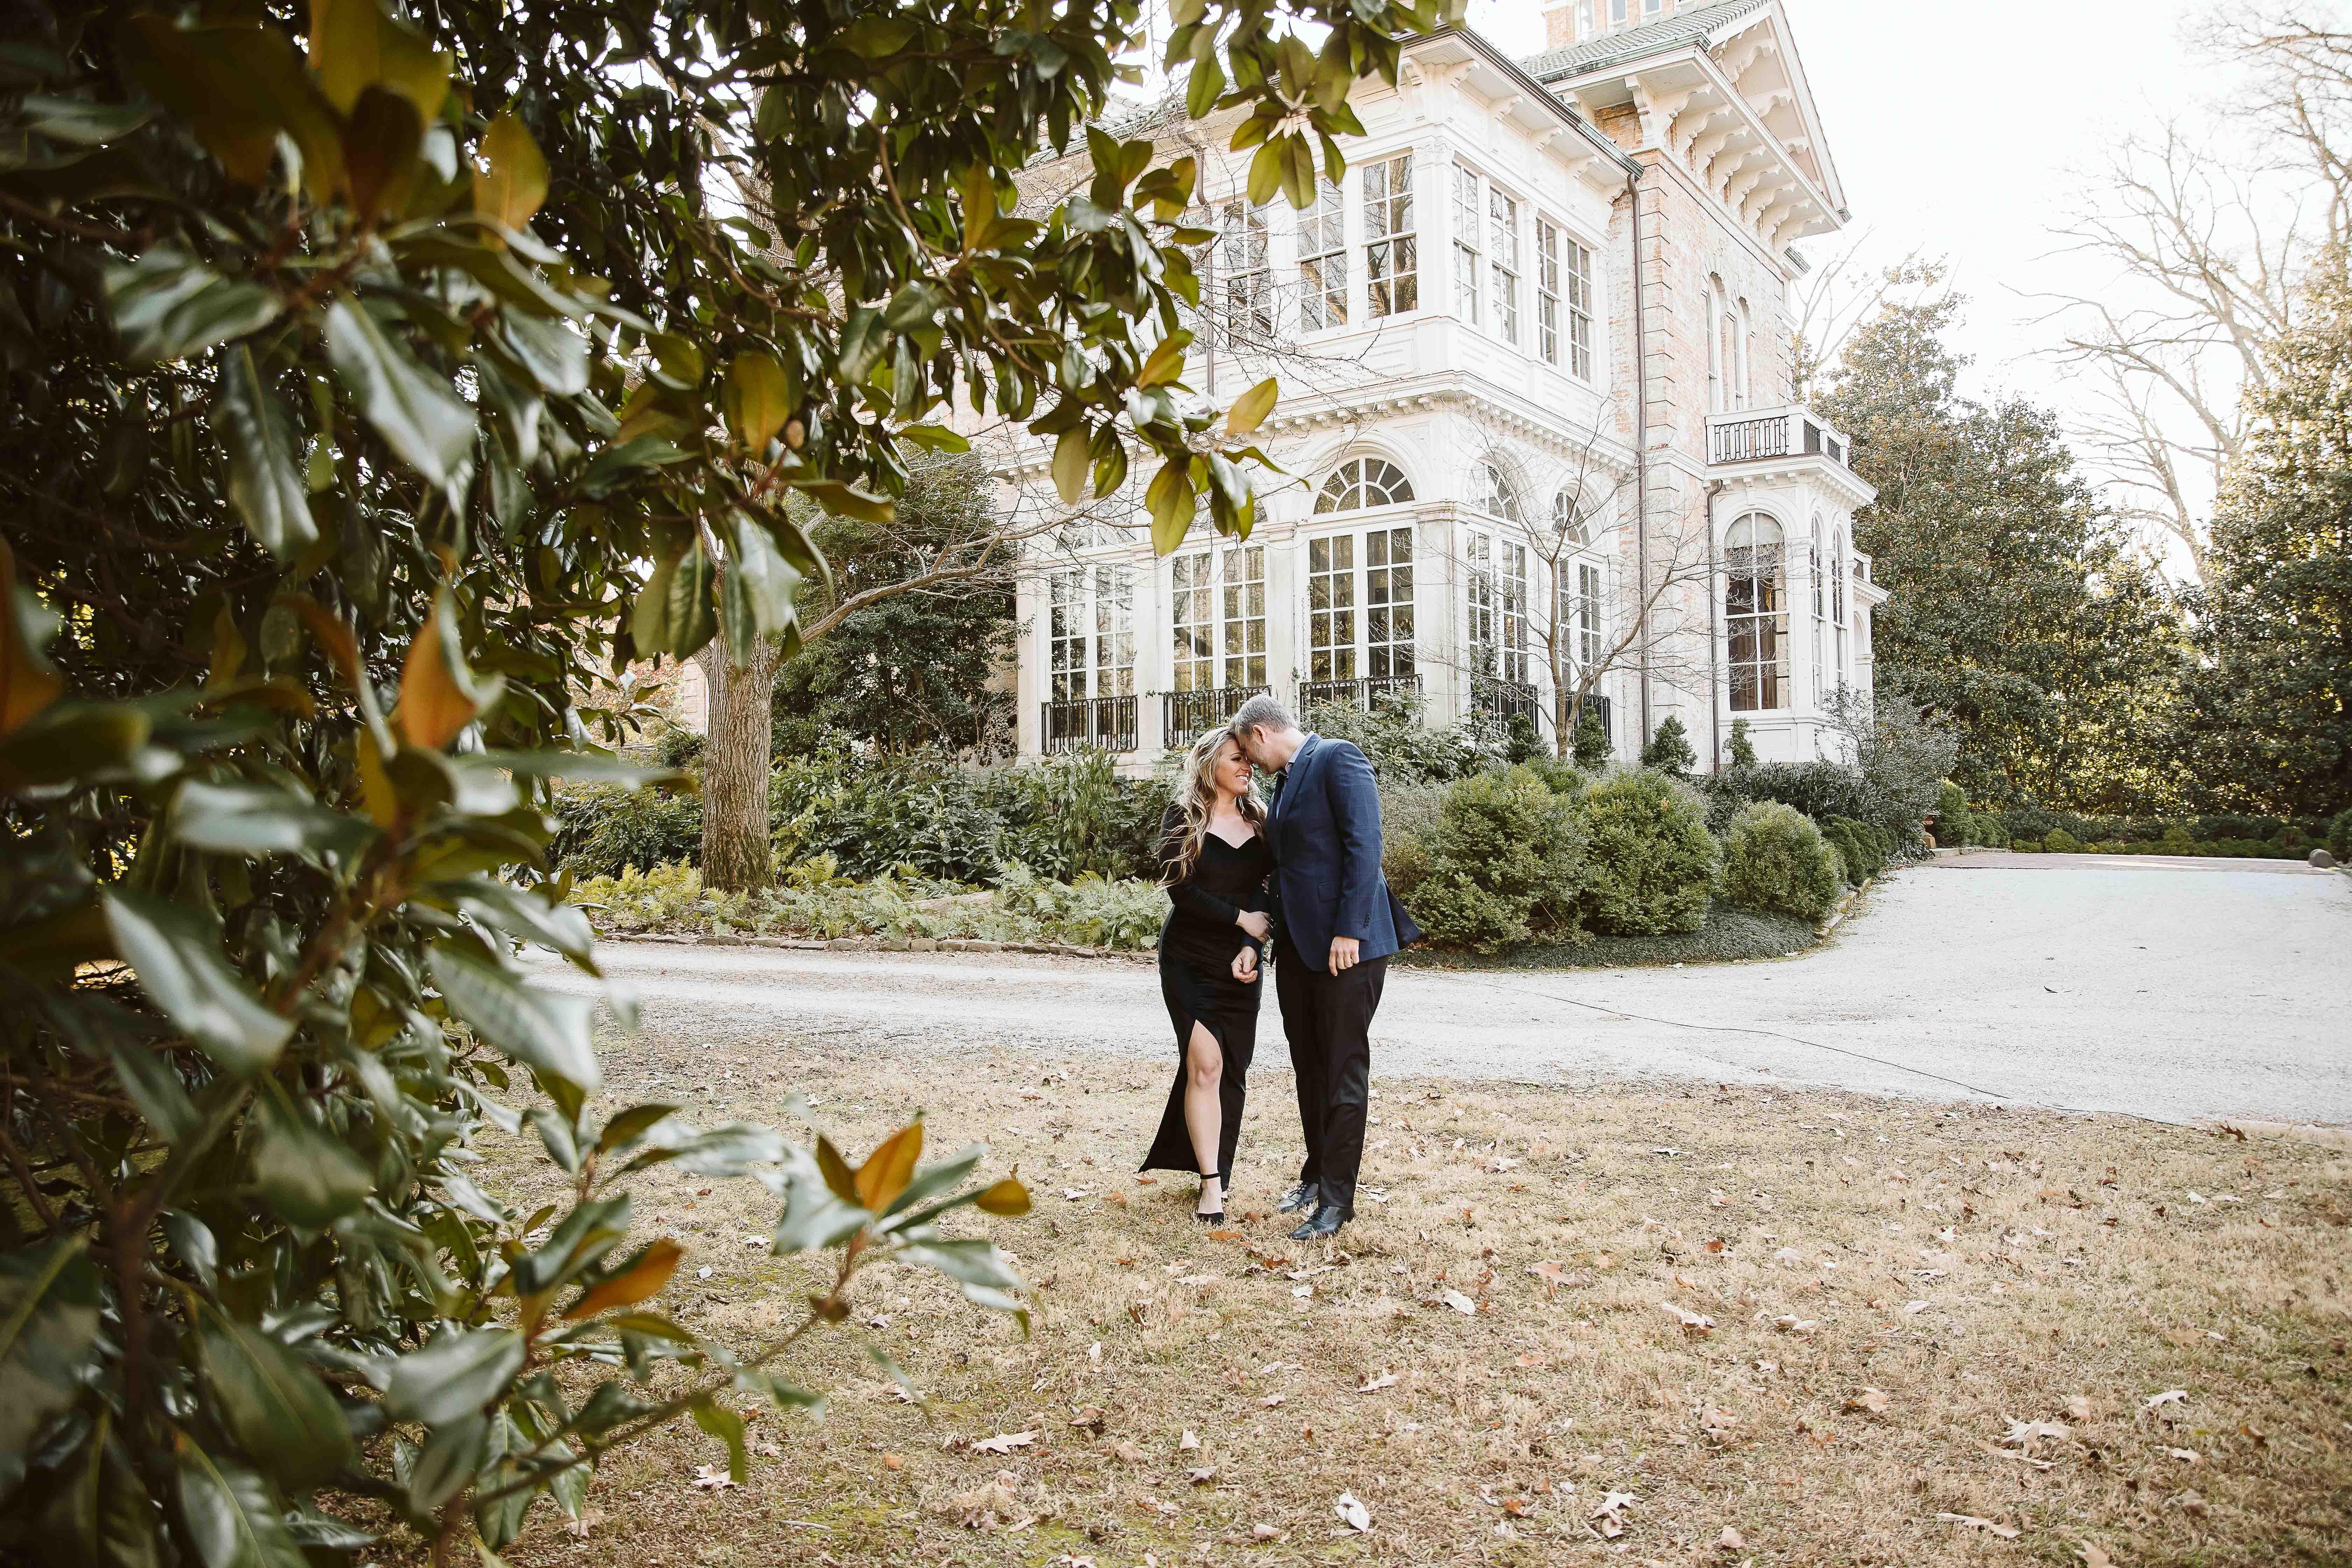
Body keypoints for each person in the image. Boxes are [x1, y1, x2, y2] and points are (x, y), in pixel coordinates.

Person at [1228, 694, 1420, 1241]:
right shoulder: (1286, 782)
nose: (1250, 763)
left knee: (1342, 1070)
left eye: (1247, 751)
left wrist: (1350, 930)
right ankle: (1315, 1176)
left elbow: (1366, 846)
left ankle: (1338, 1201)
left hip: (1347, 949)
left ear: (1261, 734)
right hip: (1296, 949)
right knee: (1309, 1067)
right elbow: (1284, 867)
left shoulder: (1339, 757)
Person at [1138, 727, 1272, 1224]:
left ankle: (1215, 1165)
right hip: (1189, 959)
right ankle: (1211, 1187)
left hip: (1241, 961)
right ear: (1211, 764)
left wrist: (1251, 945)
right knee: (1205, 1068)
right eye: (1237, 759)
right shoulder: (1183, 818)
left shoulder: (1260, 820)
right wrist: (1241, 921)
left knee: (1231, 1069)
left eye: (1249, 760)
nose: (1247, 767)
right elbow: (1181, 890)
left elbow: (1265, 890)